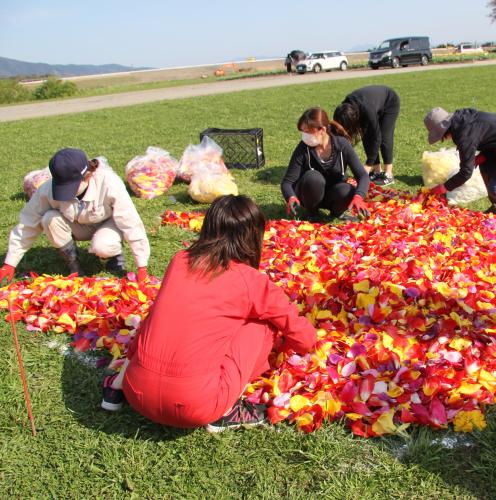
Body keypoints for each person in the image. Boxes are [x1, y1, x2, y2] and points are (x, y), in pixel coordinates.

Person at [103, 195, 318, 432]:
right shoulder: (251, 281)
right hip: (197, 406)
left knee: (162, 312)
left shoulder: (180, 260)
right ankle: (225, 411)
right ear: (252, 237)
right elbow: (304, 339)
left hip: (136, 391)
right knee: (264, 324)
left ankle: (118, 384)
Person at [0, 148, 149, 283]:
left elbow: (130, 222)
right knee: (49, 219)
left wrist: (142, 266)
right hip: (78, 225)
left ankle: (115, 257)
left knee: (103, 245)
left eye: (70, 186)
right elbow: (28, 222)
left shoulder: (109, 183)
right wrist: (10, 262)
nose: (65, 191)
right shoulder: (48, 190)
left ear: (88, 175)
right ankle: (74, 265)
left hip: (109, 222)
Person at [423, 107, 496, 228]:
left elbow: (465, 173)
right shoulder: (463, 121)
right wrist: (483, 156)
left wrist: (444, 187)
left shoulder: (464, 135)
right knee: (485, 166)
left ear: (443, 131)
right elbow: (492, 136)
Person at [281, 107, 371, 222]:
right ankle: (312, 213)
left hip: (333, 193)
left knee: (348, 189)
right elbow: (287, 182)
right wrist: (291, 197)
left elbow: (362, 175)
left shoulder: (342, 145)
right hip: (309, 194)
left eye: (308, 132)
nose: (305, 136)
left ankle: (337, 211)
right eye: (303, 131)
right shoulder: (303, 148)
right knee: (313, 178)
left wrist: (359, 196)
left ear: (322, 130)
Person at [333, 85, 401, 186]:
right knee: (366, 136)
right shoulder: (343, 109)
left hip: (389, 101)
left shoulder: (366, 110)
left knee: (384, 137)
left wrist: (368, 165)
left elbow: (377, 137)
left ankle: (388, 174)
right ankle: (377, 171)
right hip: (371, 104)